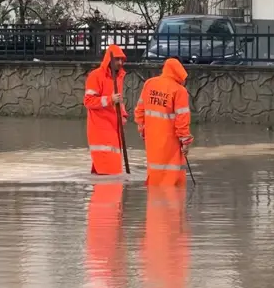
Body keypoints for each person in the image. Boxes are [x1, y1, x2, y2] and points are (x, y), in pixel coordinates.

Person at [134, 58, 194, 186]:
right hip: (170, 140)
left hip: (151, 138)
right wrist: (185, 141)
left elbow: (140, 110)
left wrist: (142, 129)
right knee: (172, 176)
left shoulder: (149, 84)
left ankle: (154, 200)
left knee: (155, 171)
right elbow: (182, 118)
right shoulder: (179, 90)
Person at [83, 44, 128, 175]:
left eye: (122, 60)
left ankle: (101, 187)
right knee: (110, 168)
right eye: (117, 59)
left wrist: (123, 115)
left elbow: (119, 99)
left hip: (113, 126)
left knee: (106, 167)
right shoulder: (96, 76)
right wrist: (109, 100)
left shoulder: (118, 77)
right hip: (100, 127)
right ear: (109, 60)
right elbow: (88, 101)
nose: (120, 63)